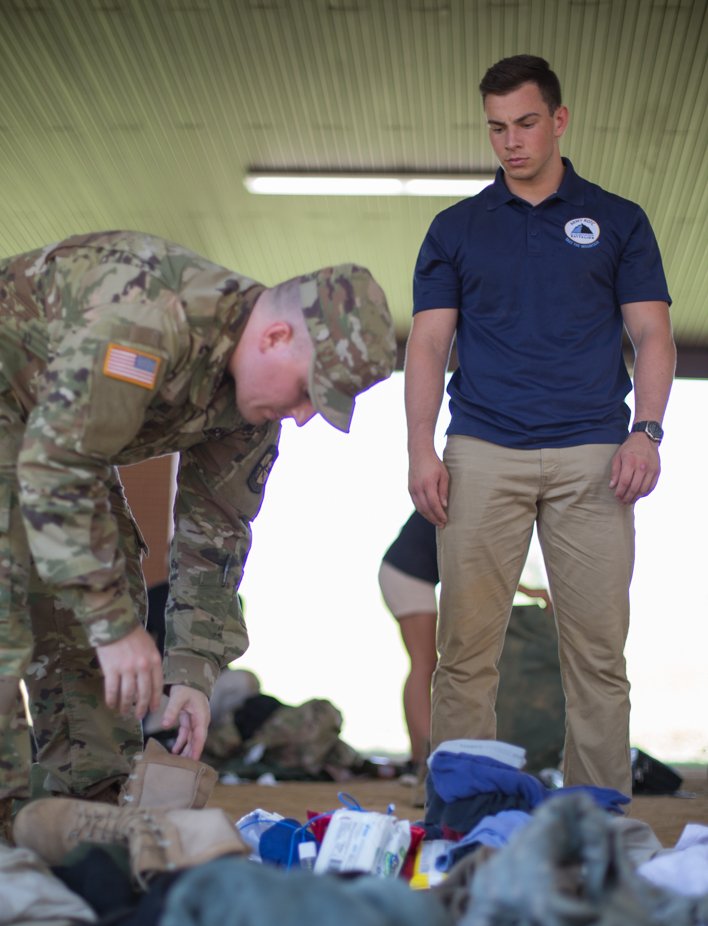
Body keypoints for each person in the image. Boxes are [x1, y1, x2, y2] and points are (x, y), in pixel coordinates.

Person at [0, 229, 395, 838]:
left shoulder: (251, 408)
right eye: (309, 391)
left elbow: (217, 532)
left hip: (53, 444)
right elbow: (56, 468)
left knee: (101, 602)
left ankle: (88, 826)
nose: (302, 414)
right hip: (29, 428)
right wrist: (113, 624)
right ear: (275, 336)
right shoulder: (147, 316)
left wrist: (192, 671)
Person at [405, 55, 675, 799]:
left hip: (596, 454)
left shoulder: (619, 220)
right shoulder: (457, 227)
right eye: (496, 128)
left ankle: (600, 822)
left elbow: (654, 336)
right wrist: (420, 448)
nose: (511, 141)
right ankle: (461, 819)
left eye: (525, 123)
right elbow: (427, 343)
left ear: (558, 120)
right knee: (465, 655)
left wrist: (645, 432)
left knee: (596, 656)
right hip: (482, 451)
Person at [379, 509, 551, 770]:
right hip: (406, 575)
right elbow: (478, 561)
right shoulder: (469, 488)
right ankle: (423, 758)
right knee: (424, 664)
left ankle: (422, 757)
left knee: (426, 665)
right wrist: (529, 590)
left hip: (414, 574)